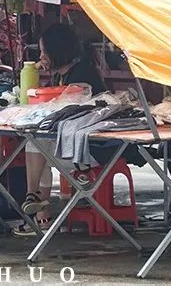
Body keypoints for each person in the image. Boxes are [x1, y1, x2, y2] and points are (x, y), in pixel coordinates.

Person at [13, 23, 105, 235]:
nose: (42, 57)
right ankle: (39, 210)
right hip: (71, 147)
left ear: (57, 51)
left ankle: (35, 202)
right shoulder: (63, 74)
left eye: (45, 52)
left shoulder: (82, 76)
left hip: (87, 150)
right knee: (36, 143)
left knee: (36, 143)